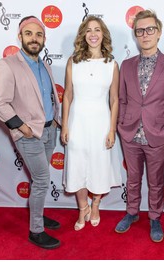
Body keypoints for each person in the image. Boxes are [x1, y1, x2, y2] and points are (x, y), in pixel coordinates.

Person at [115, 10, 164, 242]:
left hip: (157, 136)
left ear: (159, 32)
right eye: (140, 30)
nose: (145, 34)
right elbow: (122, 99)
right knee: (133, 179)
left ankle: (155, 217)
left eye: (150, 29)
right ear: (135, 35)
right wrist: (121, 125)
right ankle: (132, 212)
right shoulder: (125, 65)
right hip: (130, 134)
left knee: (156, 181)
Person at [0, 16, 61, 249]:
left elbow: (47, 98)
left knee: (38, 180)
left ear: (44, 38)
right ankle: (36, 230)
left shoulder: (45, 64)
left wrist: (56, 122)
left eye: (39, 34)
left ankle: (37, 215)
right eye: (29, 34)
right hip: (29, 134)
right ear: (20, 37)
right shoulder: (7, 64)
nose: (34, 38)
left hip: (50, 129)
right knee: (42, 180)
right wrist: (23, 128)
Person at [61, 16, 121, 231]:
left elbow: (114, 100)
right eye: (88, 30)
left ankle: (96, 205)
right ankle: (82, 208)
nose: (93, 34)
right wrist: (65, 125)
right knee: (77, 167)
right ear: (83, 35)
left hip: (101, 121)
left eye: (97, 29)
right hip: (77, 121)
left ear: (103, 34)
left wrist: (112, 129)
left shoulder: (111, 64)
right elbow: (67, 95)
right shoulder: (73, 61)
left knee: (98, 166)